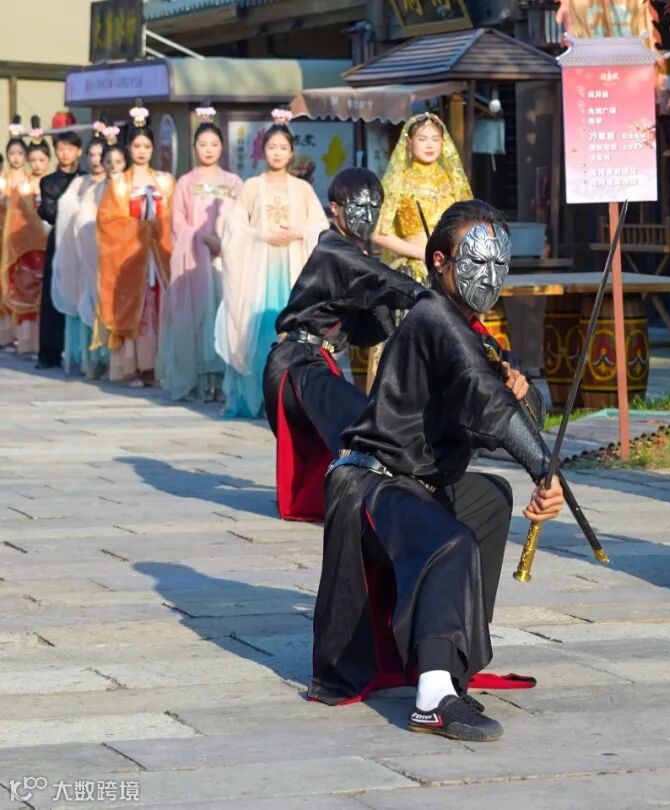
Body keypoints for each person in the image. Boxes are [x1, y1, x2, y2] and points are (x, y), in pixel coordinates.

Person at [310, 200, 564, 742]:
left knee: (489, 499)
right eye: (476, 262)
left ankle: (452, 660)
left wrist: (521, 391)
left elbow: (521, 407)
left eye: (498, 265)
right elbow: (489, 405)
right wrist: (544, 470)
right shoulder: (432, 317)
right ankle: (432, 697)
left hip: (420, 482)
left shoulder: (474, 335)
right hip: (371, 484)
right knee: (450, 541)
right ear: (440, 261)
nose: (488, 277)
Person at [263, 168, 422, 522]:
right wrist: (423, 294)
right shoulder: (333, 249)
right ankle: (385, 501)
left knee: (361, 426)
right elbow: (378, 276)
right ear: (335, 208)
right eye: (358, 207)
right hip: (295, 363)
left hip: (316, 361)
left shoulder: (353, 257)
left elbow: (367, 329)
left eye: (374, 207)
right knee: (362, 422)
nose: (367, 216)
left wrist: (394, 306)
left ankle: (372, 497)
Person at [217, 109, 327, 418]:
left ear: (292, 152)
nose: (277, 153)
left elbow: (320, 227)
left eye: (283, 147)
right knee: (259, 331)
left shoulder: (303, 189)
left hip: (293, 267)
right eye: (271, 147)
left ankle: (290, 400)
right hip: (259, 271)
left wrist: (300, 233)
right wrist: (261, 234)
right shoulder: (252, 186)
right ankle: (258, 398)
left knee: (291, 330)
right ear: (262, 150)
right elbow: (234, 227)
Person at [158, 107, 242, 402]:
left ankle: (223, 380)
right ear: (194, 147)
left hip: (226, 259)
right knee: (198, 317)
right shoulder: (185, 182)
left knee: (225, 314)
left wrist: (225, 242)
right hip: (194, 260)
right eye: (203, 144)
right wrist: (201, 238)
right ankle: (200, 380)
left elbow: (242, 220)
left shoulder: (234, 182)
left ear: (222, 146)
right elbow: (177, 223)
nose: (209, 149)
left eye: (214, 144)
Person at [94, 106, 174, 387]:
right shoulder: (118, 183)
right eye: (137, 146)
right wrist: (141, 228)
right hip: (130, 255)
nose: (141, 151)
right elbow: (107, 220)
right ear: (129, 147)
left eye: (146, 146)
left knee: (158, 308)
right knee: (135, 309)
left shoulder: (165, 180)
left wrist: (157, 229)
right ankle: (131, 366)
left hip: (158, 255)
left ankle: (155, 367)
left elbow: (173, 217)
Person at [372, 113, 472, 285]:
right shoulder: (397, 181)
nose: (429, 145)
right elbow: (378, 234)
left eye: (435, 139)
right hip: (412, 270)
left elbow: (470, 226)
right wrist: (421, 253)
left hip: (451, 269)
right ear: (409, 142)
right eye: (422, 139)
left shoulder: (453, 181)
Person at [51, 128, 105, 373]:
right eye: (92, 155)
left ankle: (107, 357)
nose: (96, 160)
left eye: (100, 155)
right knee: (85, 300)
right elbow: (65, 206)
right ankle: (86, 357)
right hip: (82, 250)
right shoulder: (80, 182)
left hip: (106, 249)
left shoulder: (116, 184)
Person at [1, 116, 50, 356]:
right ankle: (26, 340)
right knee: (25, 290)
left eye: (41, 159)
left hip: (47, 243)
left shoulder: (52, 183)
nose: (37, 164)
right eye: (33, 160)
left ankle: (46, 342)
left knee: (45, 294)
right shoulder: (22, 186)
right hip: (24, 245)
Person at [77, 135, 125, 379]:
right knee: (100, 303)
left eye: (118, 161)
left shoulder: (130, 188)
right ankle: (100, 359)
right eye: (109, 161)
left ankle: (123, 362)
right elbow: (84, 222)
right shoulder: (95, 191)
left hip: (126, 255)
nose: (113, 166)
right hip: (101, 255)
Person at [37, 127, 84, 370]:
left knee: (82, 291)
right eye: (61, 149)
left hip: (83, 240)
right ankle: (49, 351)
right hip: (60, 239)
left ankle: (81, 351)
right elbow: (49, 212)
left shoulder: (87, 179)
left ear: (79, 151)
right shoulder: (48, 182)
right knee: (52, 291)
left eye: (70, 149)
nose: (65, 153)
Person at [0, 117, 30, 348]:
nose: (16, 158)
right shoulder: (3, 181)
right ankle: (5, 333)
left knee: (21, 283)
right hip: (3, 236)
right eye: (12, 154)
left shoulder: (31, 181)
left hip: (23, 239)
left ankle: (22, 333)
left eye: (20, 154)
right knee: (4, 283)